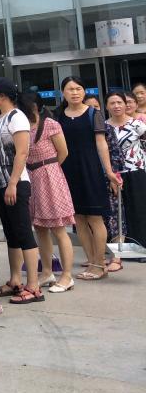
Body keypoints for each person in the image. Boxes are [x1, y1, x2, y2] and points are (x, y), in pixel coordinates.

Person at [0, 78, 42, 304]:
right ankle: (15, 280)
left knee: (23, 232)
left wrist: (13, 183)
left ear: (3, 96)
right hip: (0, 183)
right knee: (11, 234)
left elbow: (22, 153)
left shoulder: (17, 117)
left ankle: (34, 286)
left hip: (15, 183)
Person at [56, 77, 119, 281]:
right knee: (79, 219)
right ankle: (92, 262)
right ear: (63, 93)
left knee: (94, 217)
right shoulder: (58, 116)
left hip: (90, 169)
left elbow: (101, 143)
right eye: (70, 89)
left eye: (78, 88)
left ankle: (100, 264)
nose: (74, 92)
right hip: (67, 171)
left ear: (84, 91)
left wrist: (109, 172)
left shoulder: (93, 113)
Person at [17, 93, 75, 293]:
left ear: (34, 106)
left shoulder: (50, 124)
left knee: (58, 228)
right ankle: (47, 272)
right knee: (40, 228)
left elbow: (63, 152)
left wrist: (50, 169)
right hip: (31, 176)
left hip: (49, 176)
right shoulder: (22, 126)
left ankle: (67, 276)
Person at [104, 91, 146, 272]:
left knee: (138, 210)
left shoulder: (137, 124)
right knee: (118, 213)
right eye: (112, 103)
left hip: (135, 171)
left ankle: (141, 250)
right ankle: (122, 251)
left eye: (119, 102)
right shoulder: (104, 126)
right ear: (107, 106)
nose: (116, 106)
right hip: (113, 174)